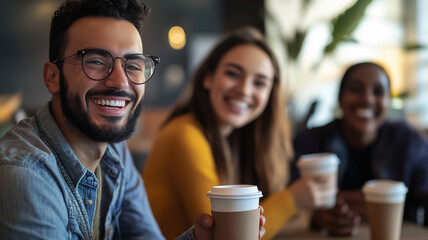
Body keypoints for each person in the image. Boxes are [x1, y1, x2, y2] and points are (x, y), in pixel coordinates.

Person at [0, 1, 266, 239]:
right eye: (94, 61)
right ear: (52, 78)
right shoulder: (26, 175)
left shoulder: (114, 152)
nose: (119, 81)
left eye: (134, 65)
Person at [143, 26, 333, 240]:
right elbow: (223, 231)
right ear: (208, 78)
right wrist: (292, 200)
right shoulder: (184, 134)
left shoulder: (231, 140)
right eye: (233, 73)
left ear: (270, 94)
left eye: (259, 82)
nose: (244, 90)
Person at [291, 61, 428, 236]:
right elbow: (289, 196)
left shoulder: (409, 141)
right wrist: (315, 216)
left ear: (388, 101)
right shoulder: (310, 140)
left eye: (378, 92)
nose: (367, 99)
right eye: (355, 89)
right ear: (340, 98)